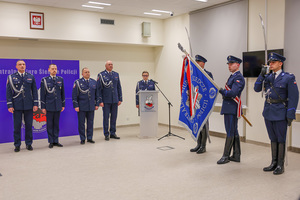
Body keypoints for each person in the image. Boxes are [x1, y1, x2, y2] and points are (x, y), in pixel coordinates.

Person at [254, 52, 299, 175]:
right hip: (268, 111)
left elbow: (294, 97)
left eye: (273, 62)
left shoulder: (288, 77)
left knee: (280, 138)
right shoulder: (268, 77)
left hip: (280, 111)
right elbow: (256, 89)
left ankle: (280, 165)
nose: (270, 64)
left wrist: (290, 113)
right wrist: (261, 75)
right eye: (270, 62)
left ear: (280, 63)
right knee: (272, 138)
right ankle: (273, 163)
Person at [217, 55, 245, 164]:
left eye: (231, 64)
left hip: (231, 108)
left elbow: (233, 93)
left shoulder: (238, 77)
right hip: (229, 107)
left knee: (230, 131)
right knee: (233, 130)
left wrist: (223, 91)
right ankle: (236, 155)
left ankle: (225, 156)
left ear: (237, 65)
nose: (229, 66)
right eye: (228, 64)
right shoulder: (232, 76)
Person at [6, 60, 38, 152]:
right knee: (17, 126)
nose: (22, 66)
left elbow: (34, 91)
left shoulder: (30, 77)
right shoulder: (11, 77)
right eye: (20, 64)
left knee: (29, 125)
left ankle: (29, 143)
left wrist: (35, 104)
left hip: (29, 105)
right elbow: (9, 92)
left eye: (23, 64)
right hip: (17, 105)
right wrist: (10, 105)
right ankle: (17, 144)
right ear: (16, 66)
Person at [190, 55, 213, 154]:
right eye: (196, 61)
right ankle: (198, 144)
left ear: (203, 63)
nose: (197, 63)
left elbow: (210, 88)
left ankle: (203, 146)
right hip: (196, 103)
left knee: (204, 125)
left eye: (198, 62)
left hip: (204, 103)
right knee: (197, 123)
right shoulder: (193, 74)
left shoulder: (208, 74)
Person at [40, 64, 65, 148]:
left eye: (55, 69)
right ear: (49, 70)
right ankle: (51, 141)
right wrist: (43, 107)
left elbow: (62, 93)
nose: (54, 70)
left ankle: (56, 140)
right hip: (49, 106)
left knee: (56, 124)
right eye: (52, 69)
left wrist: (63, 104)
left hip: (58, 105)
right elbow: (42, 94)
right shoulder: (45, 80)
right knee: (50, 124)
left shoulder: (60, 79)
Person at [97, 60, 122, 141]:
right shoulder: (101, 75)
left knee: (114, 117)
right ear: (106, 66)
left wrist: (120, 98)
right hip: (106, 100)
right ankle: (106, 134)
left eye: (111, 64)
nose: (111, 65)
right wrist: (100, 100)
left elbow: (118, 87)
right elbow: (99, 89)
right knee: (106, 118)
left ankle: (113, 133)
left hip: (115, 99)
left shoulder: (116, 74)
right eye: (109, 64)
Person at [72, 67, 99, 144]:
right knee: (81, 123)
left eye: (88, 72)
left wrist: (97, 104)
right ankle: (82, 138)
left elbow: (97, 95)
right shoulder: (77, 82)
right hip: (81, 107)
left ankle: (90, 137)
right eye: (86, 72)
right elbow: (74, 95)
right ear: (82, 74)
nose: (87, 73)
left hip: (91, 106)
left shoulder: (93, 82)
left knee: (90, 123)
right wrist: (76, 106)